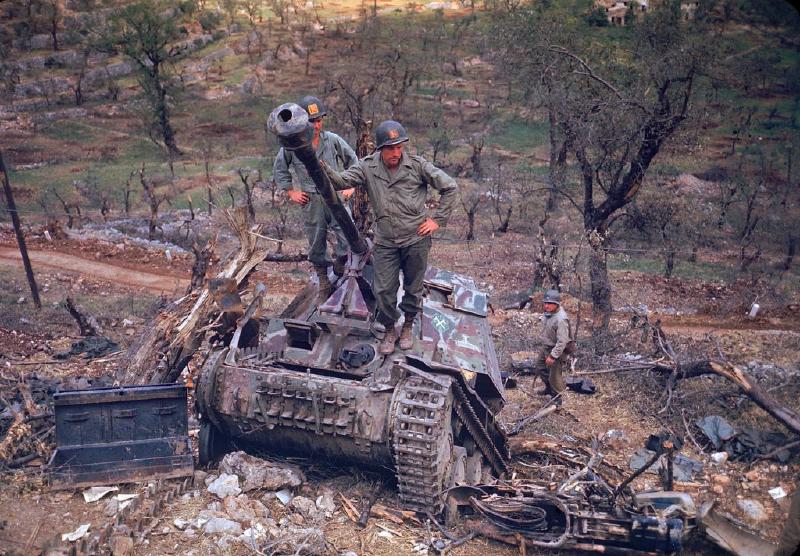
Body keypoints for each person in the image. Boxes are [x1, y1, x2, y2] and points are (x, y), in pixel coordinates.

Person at [323, 120, 458, 355]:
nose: (396, 153)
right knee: (383, 290)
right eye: (390, 148)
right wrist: (320, 167)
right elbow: (341, 181)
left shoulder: (417, 166)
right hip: (385, 241)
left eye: (399, 147)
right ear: (380, 149)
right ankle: (389, 329)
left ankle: (407, 325)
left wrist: (437, 220)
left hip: (415, 238)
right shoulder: (367, 167)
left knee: (413, 288)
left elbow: (450, 187)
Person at [273, 95, 358, 302]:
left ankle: (341, 261)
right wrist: (291, 191)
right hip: (311, 200)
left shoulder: (333, 140)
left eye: (319, 120)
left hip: (335, 195)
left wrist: (351, 185)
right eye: (311, 121)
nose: (316, 125)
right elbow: (280, 169)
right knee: (316, 241)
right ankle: (323, 281)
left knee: (347, 235)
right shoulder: (292, 147)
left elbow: (353, 161)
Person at [532, 289, 571, 396]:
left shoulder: (561, 319)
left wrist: (553, 356)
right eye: (545, 303)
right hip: (546, 346)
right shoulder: (548, 313)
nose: (547, 306)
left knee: (554, 376)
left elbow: (562, 341)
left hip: (556, 350)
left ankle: (557, 400)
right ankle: (549, 388)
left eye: (550, 303)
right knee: (540, 367)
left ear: (556, 304)